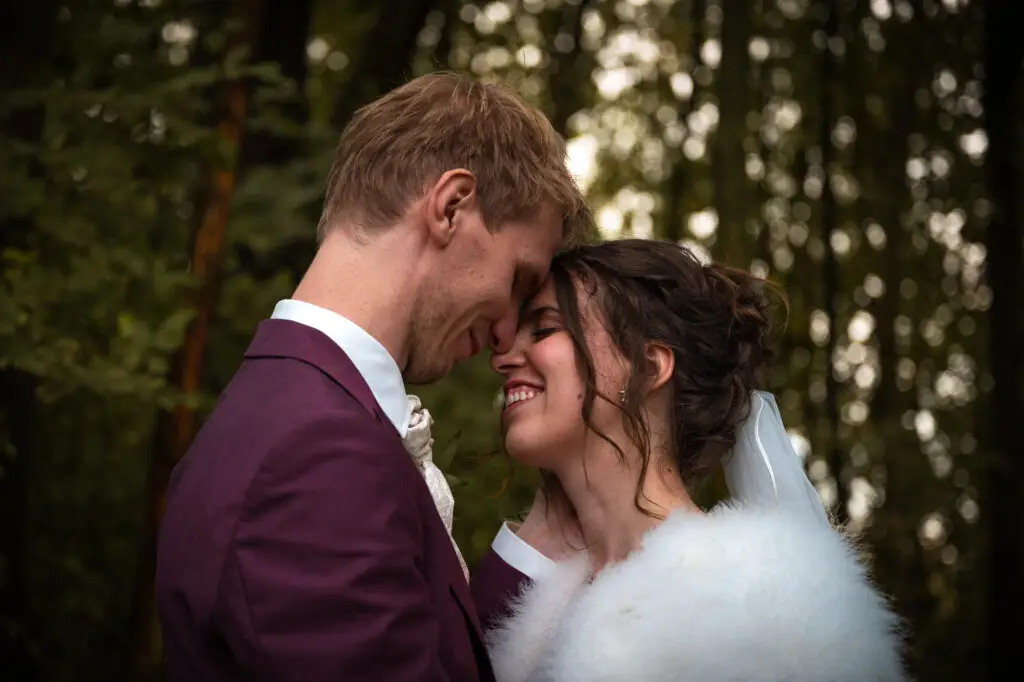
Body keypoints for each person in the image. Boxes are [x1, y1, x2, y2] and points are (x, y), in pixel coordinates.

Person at [155, 72, 590, 682]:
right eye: (517, 279)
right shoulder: (315, 456)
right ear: (451, 206)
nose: (504, 337)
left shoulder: (291, 412)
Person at [472, 239, 906, 682]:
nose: (501, 358)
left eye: (545, 329)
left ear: (650, 366)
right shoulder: (547, 606)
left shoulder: (756, 604)